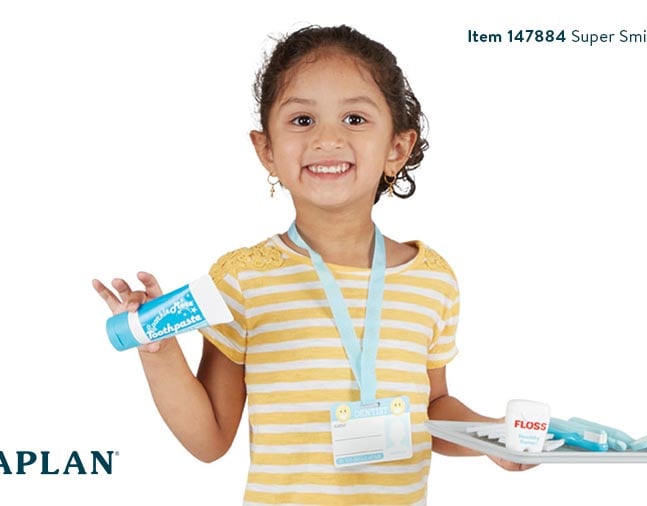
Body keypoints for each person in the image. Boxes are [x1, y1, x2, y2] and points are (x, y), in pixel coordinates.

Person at [92, 24, 533, 505]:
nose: (327, 139)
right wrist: (159, 350)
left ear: (396, 149)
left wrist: (490, 435)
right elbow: (209, 439)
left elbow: (431, 409)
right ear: (267, 151)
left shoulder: (432, 280)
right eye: (302, 120)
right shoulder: (242, 279)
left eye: (355, 119)